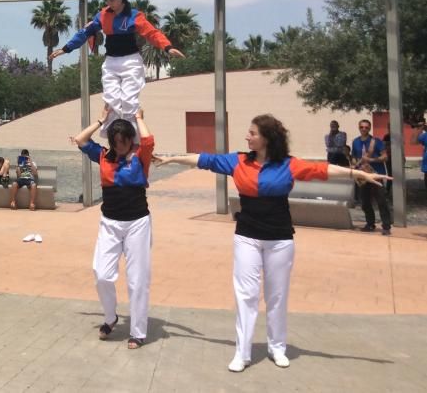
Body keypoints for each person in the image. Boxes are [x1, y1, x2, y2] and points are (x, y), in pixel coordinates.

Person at [157, 114, 388, 372]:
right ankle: (241, 352)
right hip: (247, 236)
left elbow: (324, 170)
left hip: (279, 239)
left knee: (277, 296)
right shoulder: (238, 160)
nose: (247, 136)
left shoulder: (288, 165)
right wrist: (173, 158)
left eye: (252, 133)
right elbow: (203, 159)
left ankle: (277, 347)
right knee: (246, 294)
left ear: (266, 138)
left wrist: (357, 173)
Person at [49, 0, 183, 133]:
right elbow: (84, 33)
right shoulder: (102, 15)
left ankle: (134, 139)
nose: (109, 3)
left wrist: (167, 47)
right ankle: (114, 139)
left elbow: (151, 33)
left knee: (128, 101)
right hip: (111, 62)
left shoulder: (135, 16)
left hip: (131, 62)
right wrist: (66, 48)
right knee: (111, 101)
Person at [71, 106, 155, 349]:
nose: (121, 145)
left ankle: (138, 332)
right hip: (109, 223)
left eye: (125, 140)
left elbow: (148, 139)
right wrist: (101, 119)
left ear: (131, 140)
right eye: (116, 141)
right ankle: (111, 317)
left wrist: (138, 118)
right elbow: (80, 139)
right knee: (101, 273)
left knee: (137, 279)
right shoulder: (103, 156)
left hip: (138, 223)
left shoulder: (141, 156)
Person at [351, 119, 391, 235]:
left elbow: (385, 157)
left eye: (366, 127)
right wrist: (354, 164)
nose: (364, 129)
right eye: (362, 127)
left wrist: (371, 159)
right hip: (363, 174)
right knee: (365, 201)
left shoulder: (376, 141)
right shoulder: (355, 142)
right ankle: (370, 224)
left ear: (370, 128)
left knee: (381, 200)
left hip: (376, 174)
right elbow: (354, 156)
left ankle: (386, 226)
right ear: (359, 127)